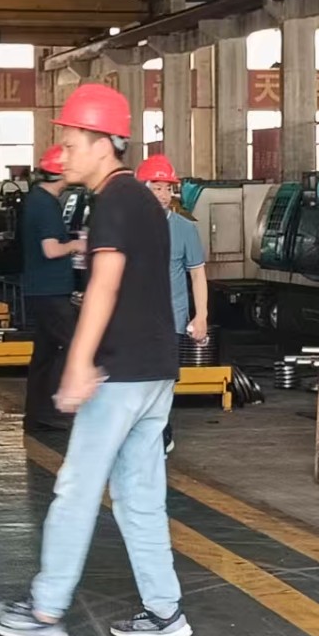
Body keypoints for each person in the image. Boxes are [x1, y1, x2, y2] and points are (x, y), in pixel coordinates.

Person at [0, 84, 191, 636]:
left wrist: (77, 362)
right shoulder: (142, 200)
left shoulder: (114, 202)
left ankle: (44, 611)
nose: (64, 153)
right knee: (140, 494)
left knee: (76, 488)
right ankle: (165, 611)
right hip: (155, 370)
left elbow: (103, 286)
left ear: (103, 143)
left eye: (72, 142)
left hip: (118, 373)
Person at [134, 154, 208, 455]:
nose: (164, 195)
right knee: (137, 379)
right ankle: (142, 434)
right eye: (157, 188)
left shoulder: (185, 229)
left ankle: (161, 434)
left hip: (171, 319)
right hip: (135, 318)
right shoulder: (126, 227)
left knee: (163, 380)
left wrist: (201, 316)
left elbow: (197, 274)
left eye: (168, 188)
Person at [20, 144, 86, 434]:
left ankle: (36, 414)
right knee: (74, 344)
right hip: (49, 290)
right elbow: (50, 249)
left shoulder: (39, 198)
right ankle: (57, 408)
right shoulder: (46, 205)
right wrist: (77, 244)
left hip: (41, 288)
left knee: (45, 353)